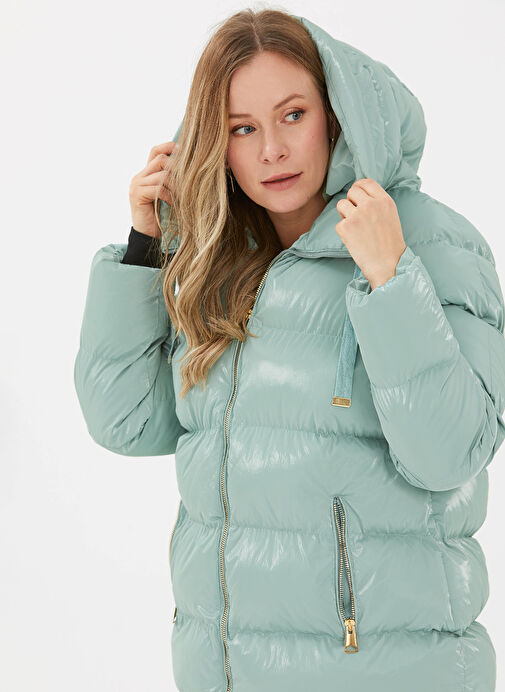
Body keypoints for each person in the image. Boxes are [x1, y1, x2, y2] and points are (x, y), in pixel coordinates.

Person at [74, 8, 505, 691]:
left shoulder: (430, 243)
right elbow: (124, 420)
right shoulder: (220, 262)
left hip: (388, 672)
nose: (271, 150)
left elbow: (449, 454)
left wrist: (391, 279)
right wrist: (145, 248)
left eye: (292, 115)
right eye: (242, 128)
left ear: (335, 116)